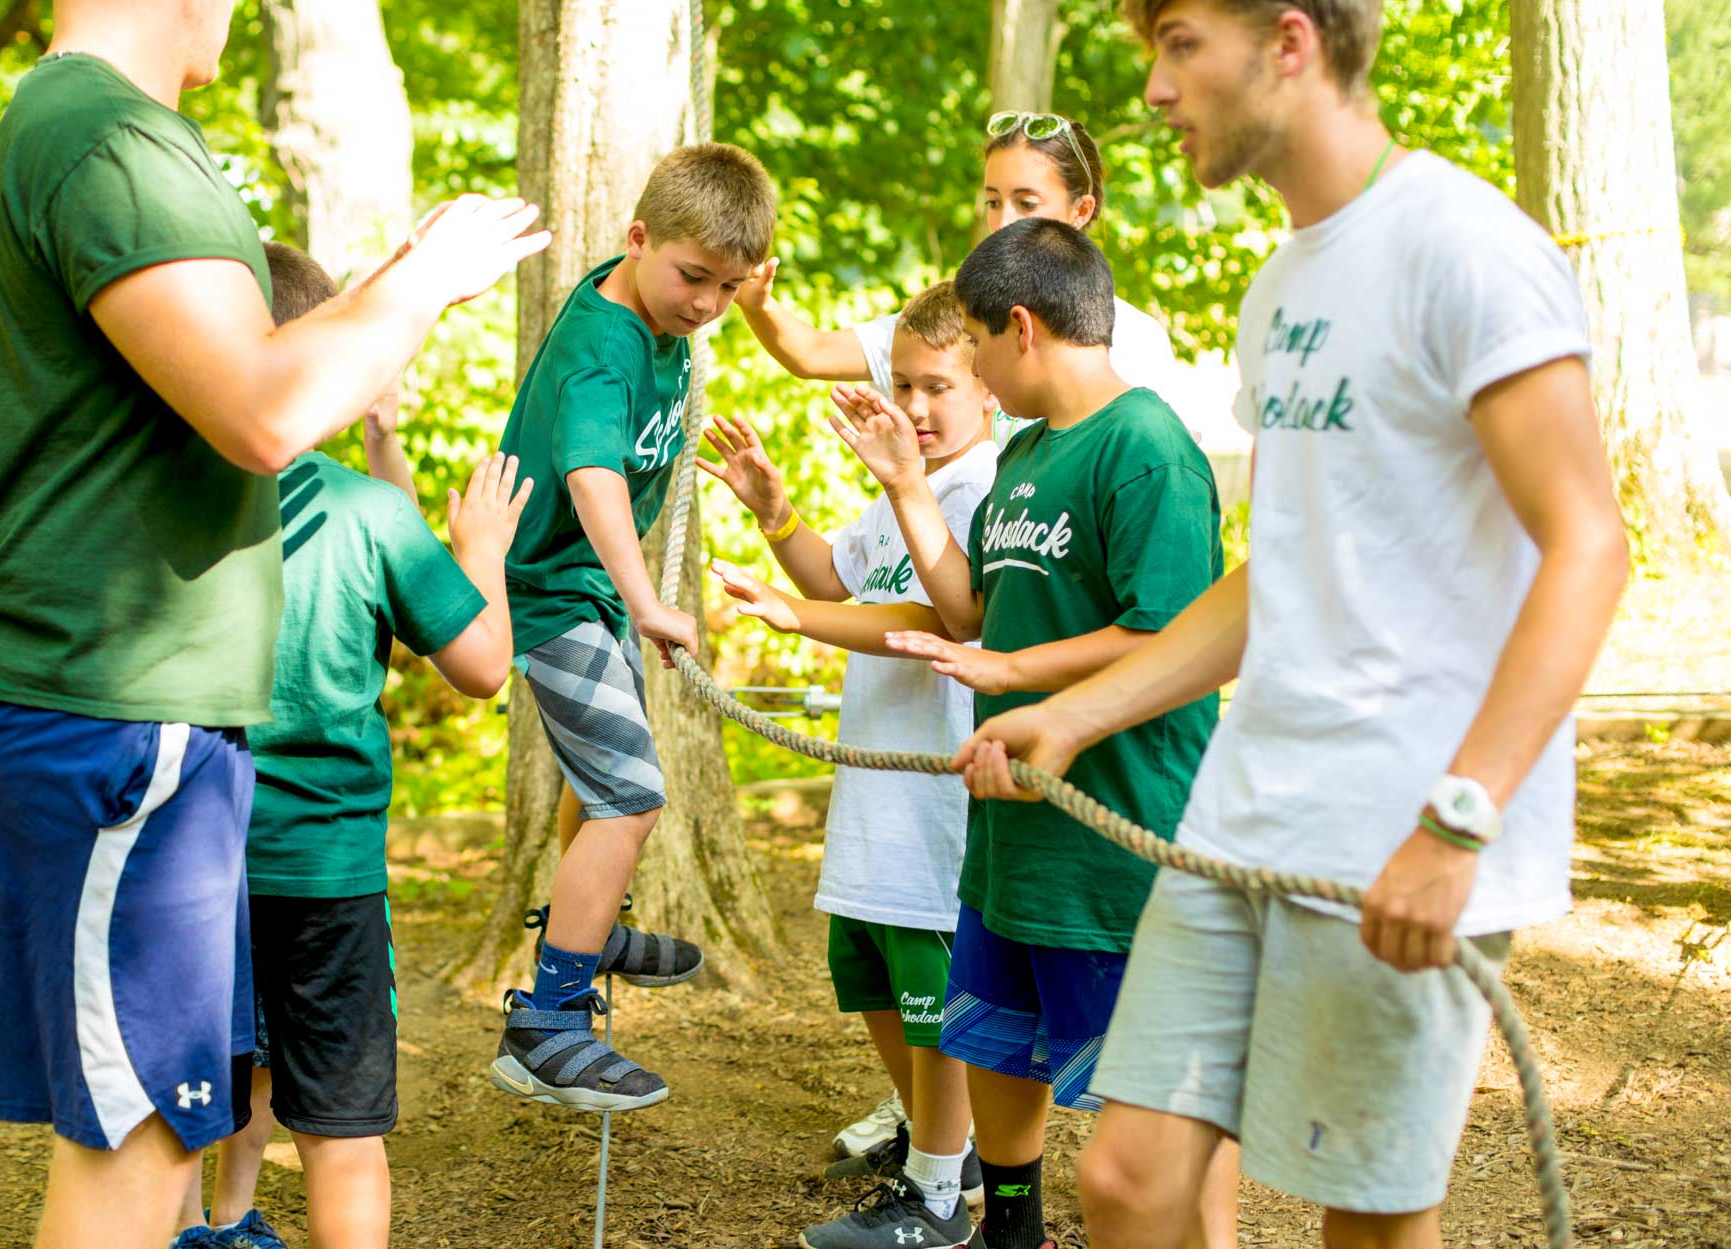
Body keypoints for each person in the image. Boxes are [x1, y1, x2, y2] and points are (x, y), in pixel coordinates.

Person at [956, 4, 1631, 1248]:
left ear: (1290, 40)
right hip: (1248, 809)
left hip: (1404, 826)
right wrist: (1074, 710)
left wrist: (1458, 818)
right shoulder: (1279, 289)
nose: (1154, 89)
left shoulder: (1464, 248)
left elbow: (1589, 546)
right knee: (1126, 1183)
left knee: (1366, 1224)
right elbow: (1284, 575)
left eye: (1177, 45)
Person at [0, 3, 549, 1246]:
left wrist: (382, 282)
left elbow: (233, 372)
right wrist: (430, 281)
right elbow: (264, 410)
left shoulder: (78, 127)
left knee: (162, 1146)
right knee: (133, 1159)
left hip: (125, 721)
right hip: (116, 723)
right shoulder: (114, 140)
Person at [830, 219, 1226, 1249]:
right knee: (999, 1049)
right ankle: (1013, 1233)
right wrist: (906, 488)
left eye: (979, 344)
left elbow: (1167, 630)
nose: (976, 370)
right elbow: (967, 612)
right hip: (1009, 838)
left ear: (1021, 328)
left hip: (1116, 835)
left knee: (1159, 1117)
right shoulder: (1024, 455)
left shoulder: (1145, 445)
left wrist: (1012, 677)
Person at [167, 244, 526, 1249]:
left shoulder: (167, 500)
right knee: (341, 1134)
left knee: (174, 1112)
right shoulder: (374, 518)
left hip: (187, 865)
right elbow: (483, 663)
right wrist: (481, 553)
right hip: (325, 873)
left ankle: (209, 1229)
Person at [704, 281, 995, 1249]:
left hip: (934, 803)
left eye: (938, 387)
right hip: (875, 798)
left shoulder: (980, 490)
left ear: (989, 385)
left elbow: (929, 620)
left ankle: (939, 1198)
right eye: (900, 383)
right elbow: (843, 582)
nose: (914, 407)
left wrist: (802, 619)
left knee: (930, 998)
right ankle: (933, 1139)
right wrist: (779, 517)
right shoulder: (898, 494)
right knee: (865, 970)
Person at [487, 142, 776, 1111]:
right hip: (549, 586)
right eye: (693, 277)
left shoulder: (666, 325)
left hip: (589, 590)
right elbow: (592, 475)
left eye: (728, 289)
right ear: (638, 238)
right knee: (632, 795)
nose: (706, 304)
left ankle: (590, 923)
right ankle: (547, 1018)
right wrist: (648, 597)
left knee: (602, 776)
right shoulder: (605, 345)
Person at [735, 111, 1185, 453]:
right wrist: (756, 304)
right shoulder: (958, 314)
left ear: (1081, 210)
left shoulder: (1137, 340)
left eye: (1026, 203)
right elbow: (812, 353)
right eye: (993, 201)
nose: (1004, 221)